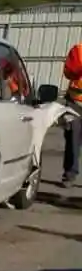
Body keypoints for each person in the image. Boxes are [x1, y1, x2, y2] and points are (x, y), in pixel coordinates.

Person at [60, 43, 82, 185]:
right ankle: (70, 173)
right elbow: (69, 72)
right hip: (75, 103)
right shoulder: (78, 50)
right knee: (72, 139)